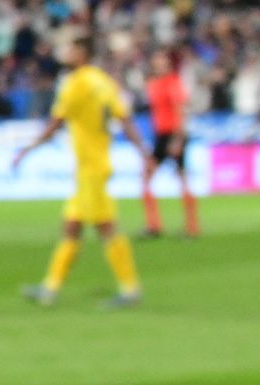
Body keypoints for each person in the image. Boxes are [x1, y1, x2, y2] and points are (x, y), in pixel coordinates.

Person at [13, 34, 154, 307]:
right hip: (95, 166)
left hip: (91, 168)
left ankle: (130, 289)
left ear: (82, 53)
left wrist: (27, 149)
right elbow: (124, 119)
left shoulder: (76, 84)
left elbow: (56, 122)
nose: (65, 53)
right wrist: (143, 152)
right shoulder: (104, 82)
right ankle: (50, 288)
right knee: (72, 226)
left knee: (106, 227)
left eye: (70, 48)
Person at [139, 49, 200, 239]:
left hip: (173, 134)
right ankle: (154, 225)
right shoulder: (153, 83)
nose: (159, 64)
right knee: (147, 176)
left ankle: (191, 226)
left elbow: (181, 112)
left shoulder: (173, 83)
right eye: (157, 60)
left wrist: (178, 140)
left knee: (181, 177)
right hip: (160, 135)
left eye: (162, 61)